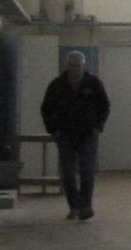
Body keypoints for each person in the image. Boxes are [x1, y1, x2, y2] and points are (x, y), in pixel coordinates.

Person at [41, 51, 110, 221]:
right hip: (65, 135)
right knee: (68, 173)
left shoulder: (93, 84)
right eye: (72, 65)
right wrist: (54, 130)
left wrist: (98, 127)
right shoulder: (57, 85)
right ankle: (74, 207)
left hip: (88, 134)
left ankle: (86, 207)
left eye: (78, 65)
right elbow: (46, 109)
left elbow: (105, 106)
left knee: (87, 171)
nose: (75, 68)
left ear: (83, 65)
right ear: (67, 65)